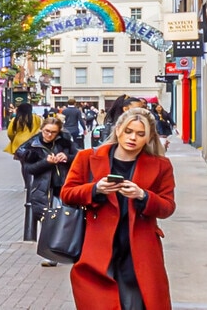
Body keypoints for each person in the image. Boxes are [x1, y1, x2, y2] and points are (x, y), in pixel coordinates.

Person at [61, 107, 175, 310]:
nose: (133, 138)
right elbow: (67, 193)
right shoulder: (88, 157)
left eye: (141, 134)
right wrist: (95, 189)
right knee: (99, 302)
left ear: (149, 138)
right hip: (97, 248)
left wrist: (143, 195)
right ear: (118, 129)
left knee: (138, 303)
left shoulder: (160, 165)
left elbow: (167, 207)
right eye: (129, 131)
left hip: (139, 249)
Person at [16, 114, 76, 263]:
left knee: (68, 220)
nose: (49, 135)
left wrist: (67, 157)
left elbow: (79, 158)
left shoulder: (65, 143)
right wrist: (46, 162)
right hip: (44, 189)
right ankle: (52, 256)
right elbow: (30, 169)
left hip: (64, 187)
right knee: (49, 222)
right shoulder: (33, 146)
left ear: (59, 132)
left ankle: (66, 251)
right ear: (41, 129)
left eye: (53, 132)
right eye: (47, 131)